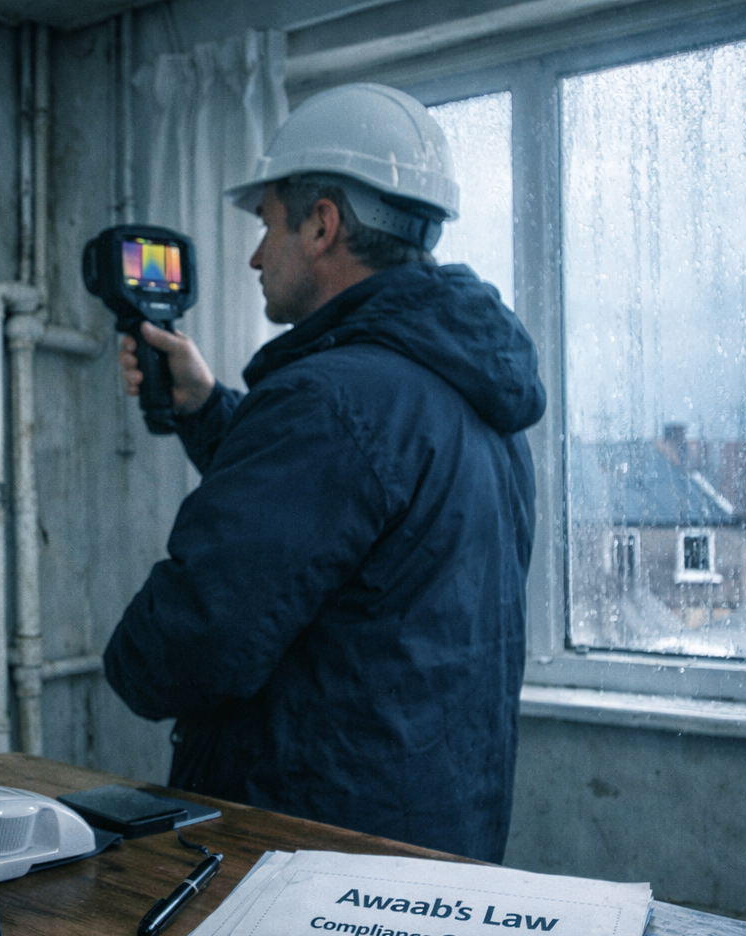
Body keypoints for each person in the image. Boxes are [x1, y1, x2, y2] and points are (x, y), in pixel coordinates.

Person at [101, 83, 545, 863]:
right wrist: (208, 409)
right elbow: (362, 518)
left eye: (268, 223)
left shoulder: (325, 403)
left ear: (322, 223)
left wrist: (128, 655)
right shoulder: (476, 397)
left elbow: (185, 646)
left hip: (309, 860)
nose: (254, 254)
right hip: (442, 840)